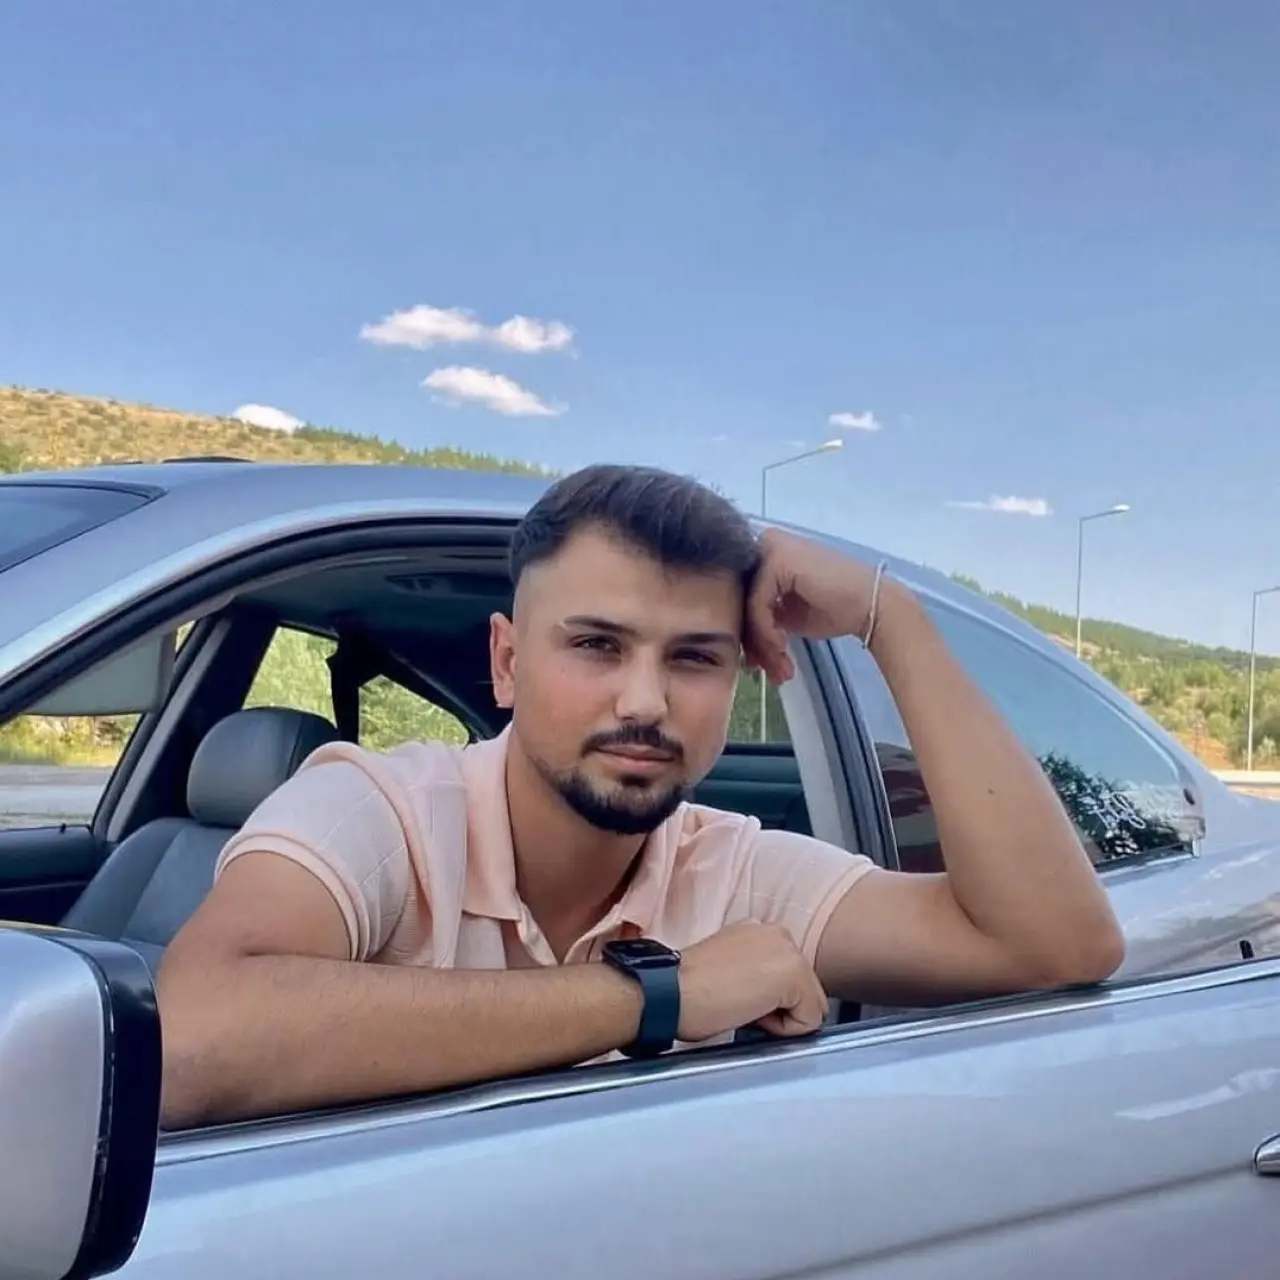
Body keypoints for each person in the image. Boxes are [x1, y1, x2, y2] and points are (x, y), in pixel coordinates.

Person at [156, 464, 1124, 1128]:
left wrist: (889, 619)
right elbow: (188, 1041)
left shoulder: (734, 870)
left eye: (694, 659)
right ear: (506, 661)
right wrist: (658, 994)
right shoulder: (378, 810)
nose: (645, 702)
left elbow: (1052, 945)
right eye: (596, 645)